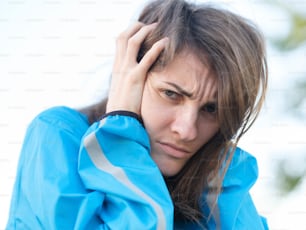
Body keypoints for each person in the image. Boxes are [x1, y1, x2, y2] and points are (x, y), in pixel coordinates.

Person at [6, 0, 269, 229]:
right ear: (130, 77)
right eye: (171, 94)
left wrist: (221, 170)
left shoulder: (218, 179)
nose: (187, 130)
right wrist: (121, 128)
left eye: (211, 109)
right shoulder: (58, 135)